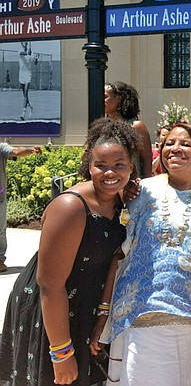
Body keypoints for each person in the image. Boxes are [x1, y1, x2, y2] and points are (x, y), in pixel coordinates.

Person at [0, 117, 139, 386]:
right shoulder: (70, 207)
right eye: (101, 166)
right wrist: (61, 351)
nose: (110, 173)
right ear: (89, 166)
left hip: (84, 304)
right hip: (53, 310)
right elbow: (49, 285)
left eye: (119, 165)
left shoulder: (120, 199)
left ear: (131, 167)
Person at [90, 124, 191, 386]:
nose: (175, 149)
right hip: (137, 310)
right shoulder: (141, 190)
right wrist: (103, 312)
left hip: (187, 313)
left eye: (186, 144)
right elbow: (119, 249)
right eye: (169, 143)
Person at [0, 143, 42, 273]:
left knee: (0, 230)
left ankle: (0, 260)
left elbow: (17, 152)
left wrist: (31, 150)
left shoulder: (1, 147)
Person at [104, 81, 153, 178]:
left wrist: (145, 185)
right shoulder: (101, 126)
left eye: (105, 97)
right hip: (108, 183)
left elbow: (146, 160)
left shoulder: (136, 126)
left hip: (132, 185)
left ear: (119, 98)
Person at [18, 41, 38, 120]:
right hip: (21, 74)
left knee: (26, 93)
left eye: (26, 42)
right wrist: (28, 53)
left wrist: (36, 58)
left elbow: (35, 63)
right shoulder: (19, 51)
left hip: (28, 74)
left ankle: (23, 113)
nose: (25, 43)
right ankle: (29, 106)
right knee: (24, 94)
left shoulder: (32, 53)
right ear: (21, 44)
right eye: (23, 42)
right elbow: (22, 53)